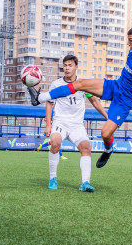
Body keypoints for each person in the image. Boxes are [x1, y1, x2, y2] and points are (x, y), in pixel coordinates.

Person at [28, 25, 132, 169]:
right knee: (80, 83)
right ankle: (40, 98)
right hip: (116, 86)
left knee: (105, 133)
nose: (127, 43)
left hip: (125, 100)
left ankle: (108, 149)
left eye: (130, 40)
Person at [44, 55, 109, 192]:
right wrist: (48, 125)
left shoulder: (83, 85)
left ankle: (85, 183)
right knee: (55, 143)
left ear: (76, 67)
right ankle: (53, 178)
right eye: (65, 65)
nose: (67, 68)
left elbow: (95, 102)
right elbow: (49, 104)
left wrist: (107, 118)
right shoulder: (56, 84)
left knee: (86, 147)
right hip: (60, 122)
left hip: (76, 125)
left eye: (70, 65)